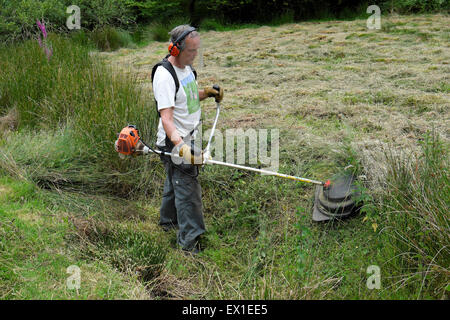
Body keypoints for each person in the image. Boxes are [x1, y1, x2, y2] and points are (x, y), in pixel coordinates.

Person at [151, 25, 223, 254]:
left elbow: (188, 98)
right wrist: (181, 147)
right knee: (188, 190)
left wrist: (206, 93)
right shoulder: (164, 75)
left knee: (176, 183)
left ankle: (167, 223)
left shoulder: (187, 69)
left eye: (197, 50)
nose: (195, 55)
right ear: (175, 49)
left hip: (188, 136)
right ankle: (190, 244)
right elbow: (166, 118)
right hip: (175, 141)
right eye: (191, 51)